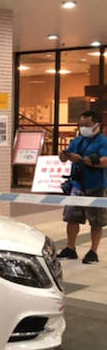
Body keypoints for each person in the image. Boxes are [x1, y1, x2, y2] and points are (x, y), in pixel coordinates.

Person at [58, 111, 107, 264]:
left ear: (97, 125)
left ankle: (93, 251)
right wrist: (64, 155)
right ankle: (70, 248)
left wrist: (83, 160)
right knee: (72, 218)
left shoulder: (103, 142)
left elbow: (105, 161)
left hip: (96, 185)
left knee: (96, 221)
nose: (83, 128)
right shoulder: (77, 140)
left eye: (86, 125)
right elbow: (62, 159)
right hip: (77, 185)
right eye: (81, 125)